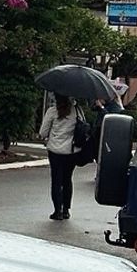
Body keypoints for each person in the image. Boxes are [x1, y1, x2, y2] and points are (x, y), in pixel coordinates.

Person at [39, 92, 80, 220]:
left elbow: (43, 132)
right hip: (71, 151)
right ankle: (66, 209)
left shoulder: (52, 111)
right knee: (67, 179)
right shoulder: (76, 111)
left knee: (56, 181)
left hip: (55, 151)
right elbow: (83, 127)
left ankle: (58, 211)